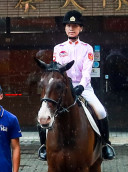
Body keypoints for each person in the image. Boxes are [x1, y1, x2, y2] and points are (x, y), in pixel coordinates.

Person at [39, 10, 115, 161]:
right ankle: (43, 146)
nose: (71, 28)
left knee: (100, 111)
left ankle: (106, 144)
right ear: (65, 28)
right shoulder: (58, 48)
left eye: (74, 26)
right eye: (68, 25)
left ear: (81, 28)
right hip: (63, 87)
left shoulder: (87, 48)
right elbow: (57, 70)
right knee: (44, 111)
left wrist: (81, 85)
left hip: (83, 87)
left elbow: (87, 71)